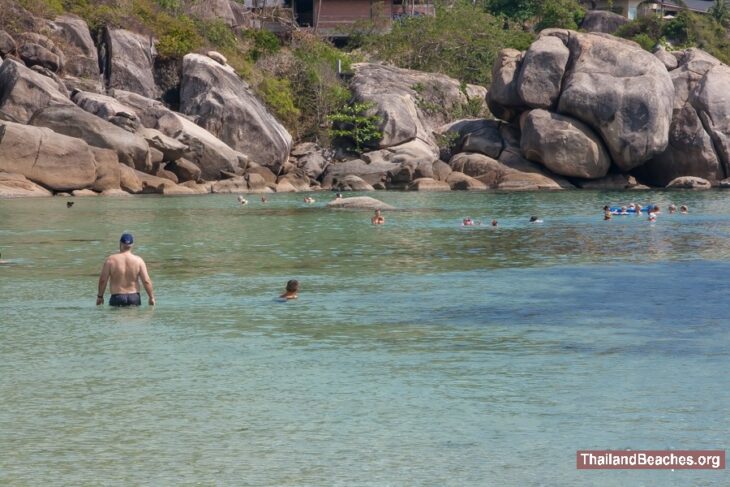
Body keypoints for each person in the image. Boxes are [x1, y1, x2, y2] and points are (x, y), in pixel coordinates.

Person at [97, 233, 155, 307]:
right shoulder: (138, 260)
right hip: (134, 297)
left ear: (120, 243)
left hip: (117, 297)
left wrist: (100, 296)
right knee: (133, 318)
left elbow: (103, 280)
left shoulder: (111, 260)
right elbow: (146, 281)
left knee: (116, 318)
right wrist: (151, 297)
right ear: (132, 244)